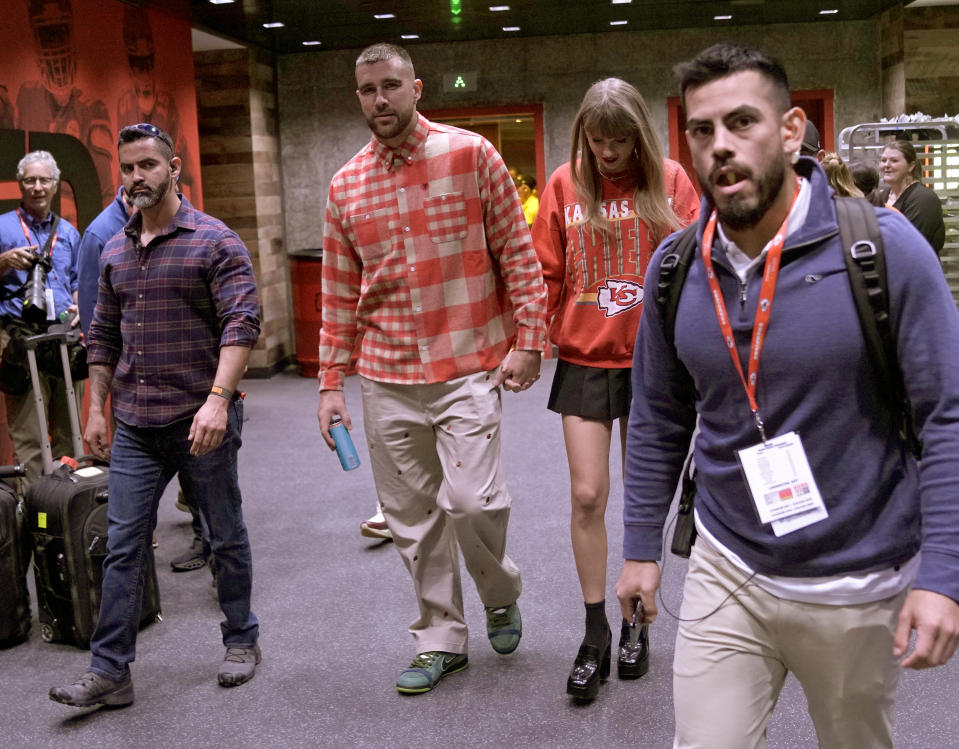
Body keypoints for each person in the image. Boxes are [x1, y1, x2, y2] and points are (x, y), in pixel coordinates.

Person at [614, 43, 959, 748]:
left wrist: (945, 574)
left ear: (791, 129)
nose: (721, 147)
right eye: (702, 131)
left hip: (855, 581)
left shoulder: (881, 250)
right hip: (726, 564)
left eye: (742, 122)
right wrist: (641, 546)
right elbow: (656, 415)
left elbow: (946, 415)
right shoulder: (676, 267)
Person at [317, 43, 547, 695]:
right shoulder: (345, 185)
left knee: (474, 501)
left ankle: (498, 591)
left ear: (416, 88)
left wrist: (529, 338)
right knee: (410, 517)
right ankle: (440, 635)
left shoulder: (470, 154)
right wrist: (330, 382)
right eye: (367, 91)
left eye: (391, 86)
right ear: (357, 96)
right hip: (386, 374)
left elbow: (516, 252)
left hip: (468, 362)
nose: (380, 100)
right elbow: (336, 296)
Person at [50, 123, 262, 709]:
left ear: (174, 170)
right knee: (122, 545)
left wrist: (219, 400)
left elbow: (242, 324)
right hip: (138, 426)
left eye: (148, 165)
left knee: (224, 536)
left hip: (201, 421)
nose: (138, 177)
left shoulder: (215, 241)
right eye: (129, 168)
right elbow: (102, 336)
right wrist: (97, 410)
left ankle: (242, 639)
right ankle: (111, 671)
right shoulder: (116, 248)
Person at [532, 77, 698, 700]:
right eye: (597, 141)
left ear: (639, 137)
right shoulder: (563, 184)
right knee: (586, 494)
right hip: (585, 358)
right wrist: (529, 340)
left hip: (655, 359)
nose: (608, 154)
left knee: (643, 493)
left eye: (619, 141)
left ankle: (637, 621)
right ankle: (595, 629)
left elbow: (692, 267)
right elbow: (544, 271)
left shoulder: (672, 181)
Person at [0, 150, 82, 488]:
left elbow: (76, 282)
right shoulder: (3, 226)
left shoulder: (69, 232)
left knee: (69, 431)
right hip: (17, 335)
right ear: (20, 184)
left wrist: (79, 307)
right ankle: (36, 522)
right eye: (30, 180)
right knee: (31, 438)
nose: (37, 187)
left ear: (55, 184)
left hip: (62, 334)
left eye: (44, 180)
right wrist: (3, 261)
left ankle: (66, 513)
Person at [16, 0, 114, 205]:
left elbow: (105, 192)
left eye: (59, 32)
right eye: (48, 35)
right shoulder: (27, 98)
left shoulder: (91, 109)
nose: (54, 44)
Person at [880, 140, 945, 254]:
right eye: (884, 160)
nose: (887, 165)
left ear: (911, 166)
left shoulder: (923, 199)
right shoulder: (883, 195)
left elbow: (909, 243)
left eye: (894, 161)